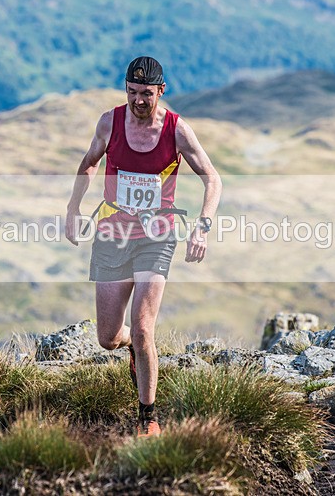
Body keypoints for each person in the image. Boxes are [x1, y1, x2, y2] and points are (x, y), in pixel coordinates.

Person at [65, 56, 222, 436]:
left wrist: (201, 228)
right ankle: (134, 348)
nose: (138, 101)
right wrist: (73, 208)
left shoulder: (176, 130)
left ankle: (148, 418)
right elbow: (88, 163)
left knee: (142, 327)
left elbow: (212, 179)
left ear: (161, 91)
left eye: (146, 94)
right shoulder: (109, 122)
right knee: (107, 337)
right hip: (112, 236)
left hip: (157, 236)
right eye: (132, 92)